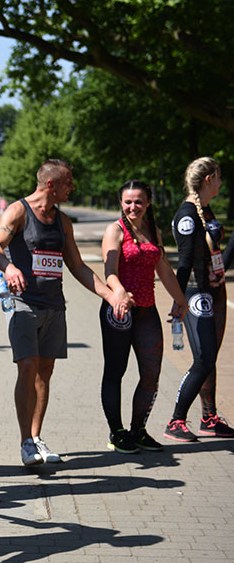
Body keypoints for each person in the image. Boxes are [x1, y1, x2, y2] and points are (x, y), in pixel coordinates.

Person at [0, 159, 133, 465]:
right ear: (51, 185)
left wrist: (110, 295)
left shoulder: (63, 221)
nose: (73, 186)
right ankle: (25, 441)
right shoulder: (18, 211)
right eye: (68, 182)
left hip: (55, 304)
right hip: (23, 302)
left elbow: (77, 265)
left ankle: (37, 438)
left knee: (45, 372)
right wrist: (9, 267)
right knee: (27, 366)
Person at [99, 180, 188, 451]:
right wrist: (120, 292)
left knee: (151, 373)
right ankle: (117, 432)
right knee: (116, 371)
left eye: (138, 201)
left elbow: (164, 271)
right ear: (121, 203)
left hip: (148, 312)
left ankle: (138, 430)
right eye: (127, 202)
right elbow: (109, 271)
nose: (132, 207)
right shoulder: (115, 230)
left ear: (148, 202)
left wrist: (180, 301)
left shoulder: (153, 231)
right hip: (119, 311)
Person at [164, 157, 233, 441]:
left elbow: (216, 259)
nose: (221, 182)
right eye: (218, 177)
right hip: (196, 293)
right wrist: (178, 300)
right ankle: (176, 420)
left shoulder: (206, 209)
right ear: (209, 179)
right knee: (202, 359)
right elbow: (185, 262)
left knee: (210, 358)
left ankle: (209, 418)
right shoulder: (187, 215)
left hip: (215, 291)